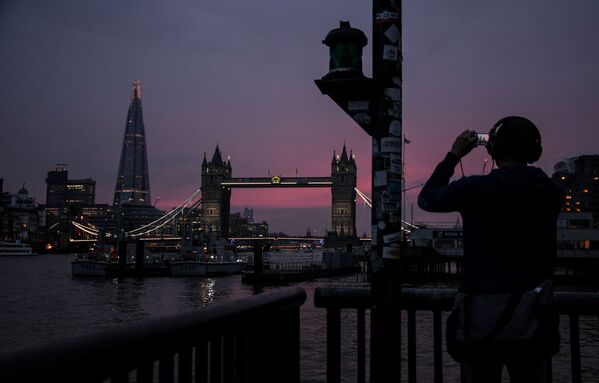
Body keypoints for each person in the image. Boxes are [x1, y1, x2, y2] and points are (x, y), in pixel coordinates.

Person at [417, 116, 564, 383]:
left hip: (481, 321)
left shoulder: (475, 188)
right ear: (535, 151)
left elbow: (427, 198)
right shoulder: (551, 191)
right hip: (532, 318)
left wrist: (453, 155)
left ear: (493, 150)